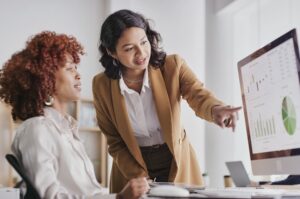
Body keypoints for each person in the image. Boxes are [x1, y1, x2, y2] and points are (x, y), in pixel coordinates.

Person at [93, 9, 242, 193]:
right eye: (129, 48)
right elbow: (115, 142)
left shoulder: (173, 65)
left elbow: (197, 94)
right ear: (112, 52)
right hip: (131, 166)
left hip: (175, 161)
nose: (141, 53)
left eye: (143, 42)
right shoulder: (101, 85)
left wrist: (216, 109)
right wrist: (138, 175)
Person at [0, 31, 149, 199]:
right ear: (45, 80)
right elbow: (49, 196)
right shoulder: (37, 129)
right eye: (69, 69)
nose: (78, 74)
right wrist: (119, 198)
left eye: (76, 68)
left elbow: (88, 193)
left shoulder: (65, 128)